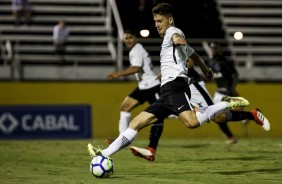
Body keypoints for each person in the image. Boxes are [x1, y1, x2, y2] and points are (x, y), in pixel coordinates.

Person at [87, 3, 249, 159]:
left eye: (160, 21)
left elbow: (179, 39)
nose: (157, 25)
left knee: (191, 122)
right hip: (166, 91)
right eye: (155, 22)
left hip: (175, 87)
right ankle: (104, 154)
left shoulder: (173, 32)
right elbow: (195, 56)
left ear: (170, 20)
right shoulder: (170, 37)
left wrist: (180, 41)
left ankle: (228, 103)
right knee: (135, 123)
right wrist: (205, 69)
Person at [129, 64, 270, 161]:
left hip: (192, 85)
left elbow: (190, 62)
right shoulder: (167, 45)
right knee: (160, 113)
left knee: (219, 118)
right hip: (176, 89)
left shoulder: (178, 41)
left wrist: (172, 69)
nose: (158, 25)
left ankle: (251, 114)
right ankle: (151, 149)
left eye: (160, 21)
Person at [106, 29, 164, 147]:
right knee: (125, 107)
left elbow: (136, 68)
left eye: (130, 37)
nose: (128, 40)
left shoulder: (137, 49)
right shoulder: (135, 49)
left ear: (136, 38)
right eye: (126, 38)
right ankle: (122, 139)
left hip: (151, 86)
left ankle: (193, 113)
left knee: (166, 112)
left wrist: (118, 74)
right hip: (143, 86)